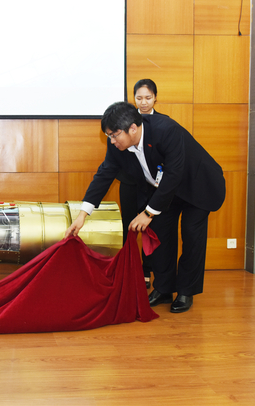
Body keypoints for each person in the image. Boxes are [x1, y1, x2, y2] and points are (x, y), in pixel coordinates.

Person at [65, 101, 225, 313]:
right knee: (161, 235)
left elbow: (174, 174)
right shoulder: (118, 145)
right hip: (164, 191)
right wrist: (82, 215)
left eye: (114, 135)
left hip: (197, 185)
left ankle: (186, 291)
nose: (112, 141)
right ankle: (164, 288)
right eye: (109, 136)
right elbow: (104, 174)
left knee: (191, 235)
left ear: (133, 128)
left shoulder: (166, 130)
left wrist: (148, 212)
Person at [123, 79, 161, 288]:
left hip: (154, 187)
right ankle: (129, 269)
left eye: (148, 98)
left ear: (155, 98)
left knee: (150, 228)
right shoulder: (126, 122)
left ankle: (147, 270)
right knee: (128, 226)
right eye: (139, 98)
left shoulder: (163, 124)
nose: (143, 102)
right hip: (131, 184)